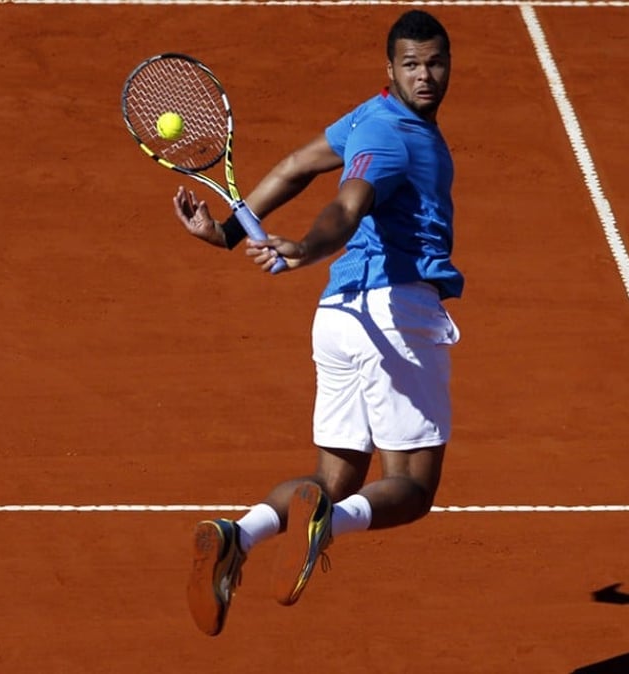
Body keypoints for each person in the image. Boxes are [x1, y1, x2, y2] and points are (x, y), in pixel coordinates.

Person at [173, 9, 463, 637]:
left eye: (434, 62)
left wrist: (228, 232)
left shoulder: (368, 115)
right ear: (390, 68)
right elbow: (347, 204)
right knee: (410, 489)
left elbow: (297, 163)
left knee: (332, 478)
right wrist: (306, 247)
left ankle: (237, 534)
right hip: (398, 318)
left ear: (448, 64)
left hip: (337, 320)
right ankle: (323, 525)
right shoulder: (393, 138)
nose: (426, 76)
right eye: (411, 64)